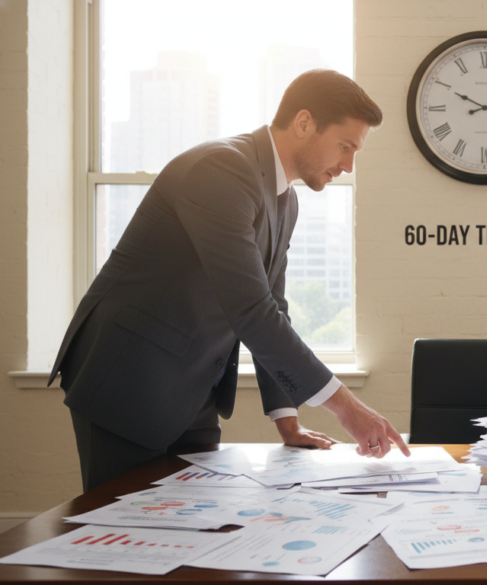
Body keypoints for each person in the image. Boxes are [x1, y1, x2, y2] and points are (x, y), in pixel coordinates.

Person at [50, 69, 410, 492]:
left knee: (201, 529)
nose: (348, 166)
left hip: (192, 388)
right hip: (129, 378)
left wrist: (286, 418)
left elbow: (272, 307)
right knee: (123, 530)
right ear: (304, 123)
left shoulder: (285, 200)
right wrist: (346, 408)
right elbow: (251, 311)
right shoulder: (221, 169)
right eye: (345, 146)